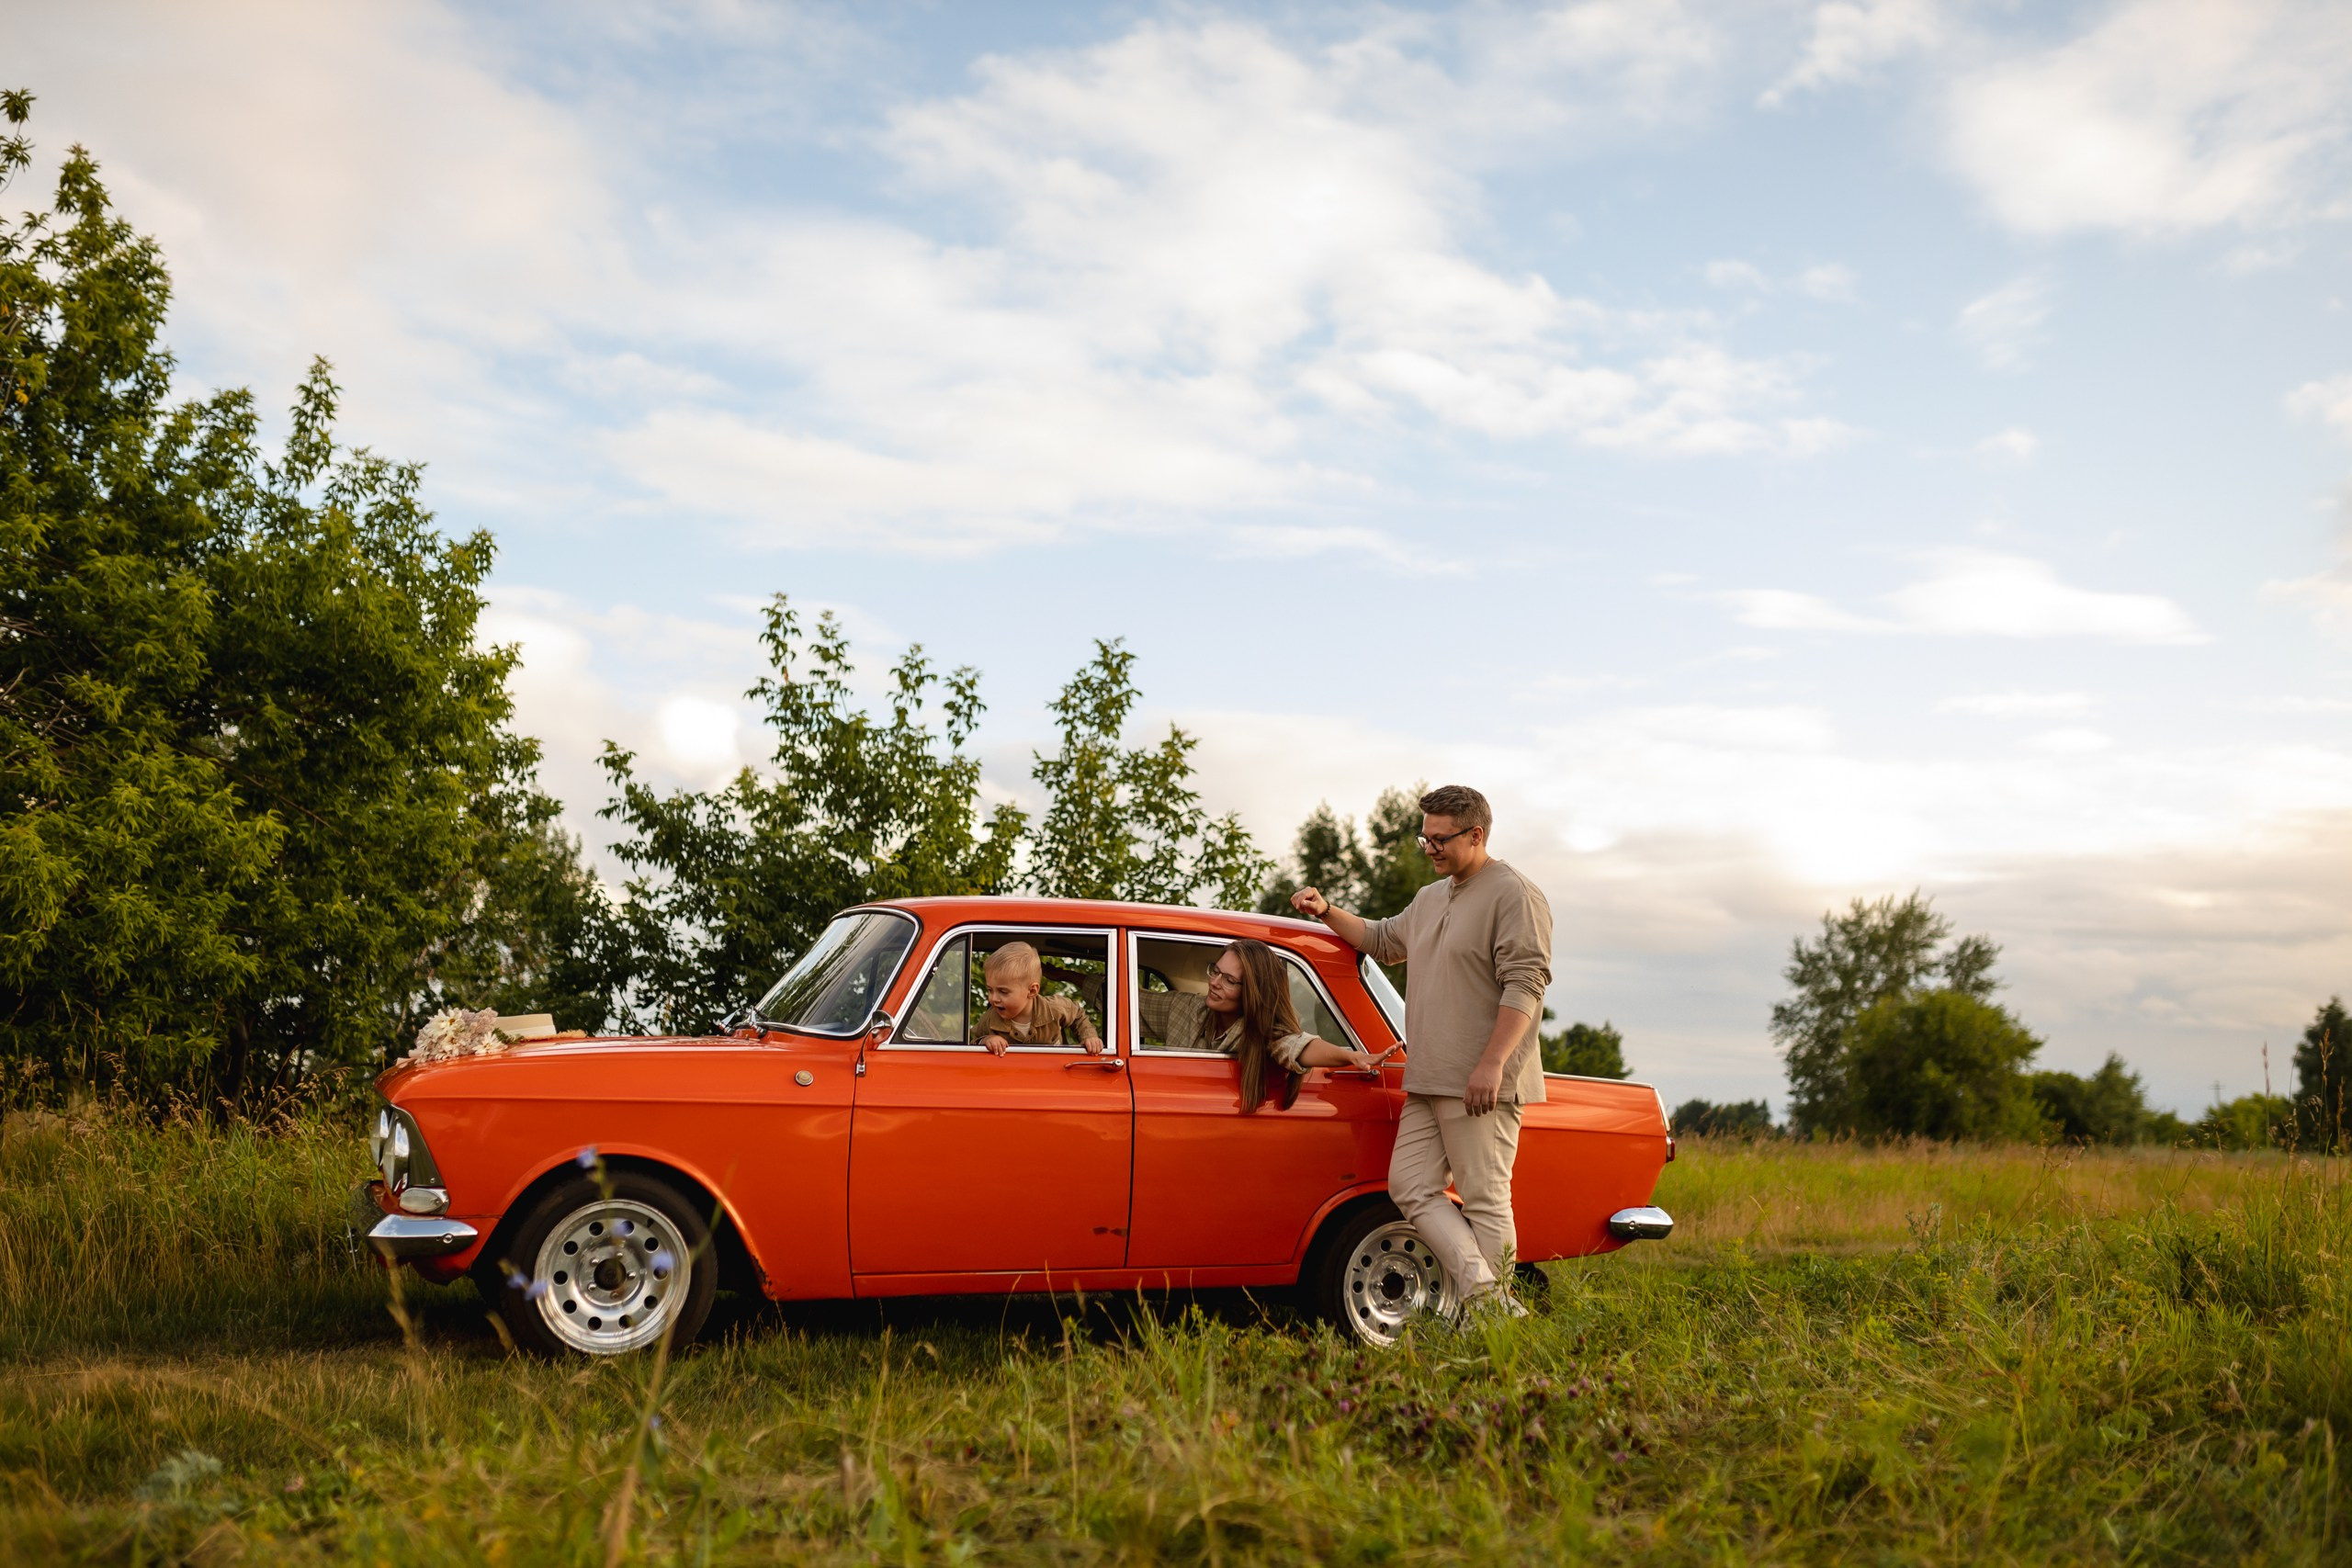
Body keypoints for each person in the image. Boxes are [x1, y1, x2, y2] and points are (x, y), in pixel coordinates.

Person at [1291, 784, 1552, 1314]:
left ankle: (1495, 1317)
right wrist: (1326, 911)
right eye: (1424, 838)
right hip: (1428, 1075)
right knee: (1410, 1186)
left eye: (1439, 839)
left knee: (1484, 1201)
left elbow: (1527, 983)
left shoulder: (1515, 894)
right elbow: (1384, 940)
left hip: (1482, 1081)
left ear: (1476, 835)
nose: (1428, 848)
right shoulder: (1431, 897)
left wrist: (1492, 1065)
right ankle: (1492, 1303)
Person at [1139, 939, 1395, 1111]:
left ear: (1251, 991)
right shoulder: (1183, 1008)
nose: (1214, 982)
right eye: (1214, 971)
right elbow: (1109, 994)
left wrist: (1350, 1056)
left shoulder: (1264, 1033)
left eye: (1229, 980)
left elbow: (1296, 1045)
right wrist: (1095, 1030)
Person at [974, 942, 1105, 1055]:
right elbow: (972, 1045)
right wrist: (986, 1040)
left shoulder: (1054, 1008)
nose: (993, 998)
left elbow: (1077, 1015)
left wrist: (1089, 1037)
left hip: (1057, 1076)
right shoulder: (990, 1019)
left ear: (1031, 991)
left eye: (1003, 991)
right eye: (990, 990)